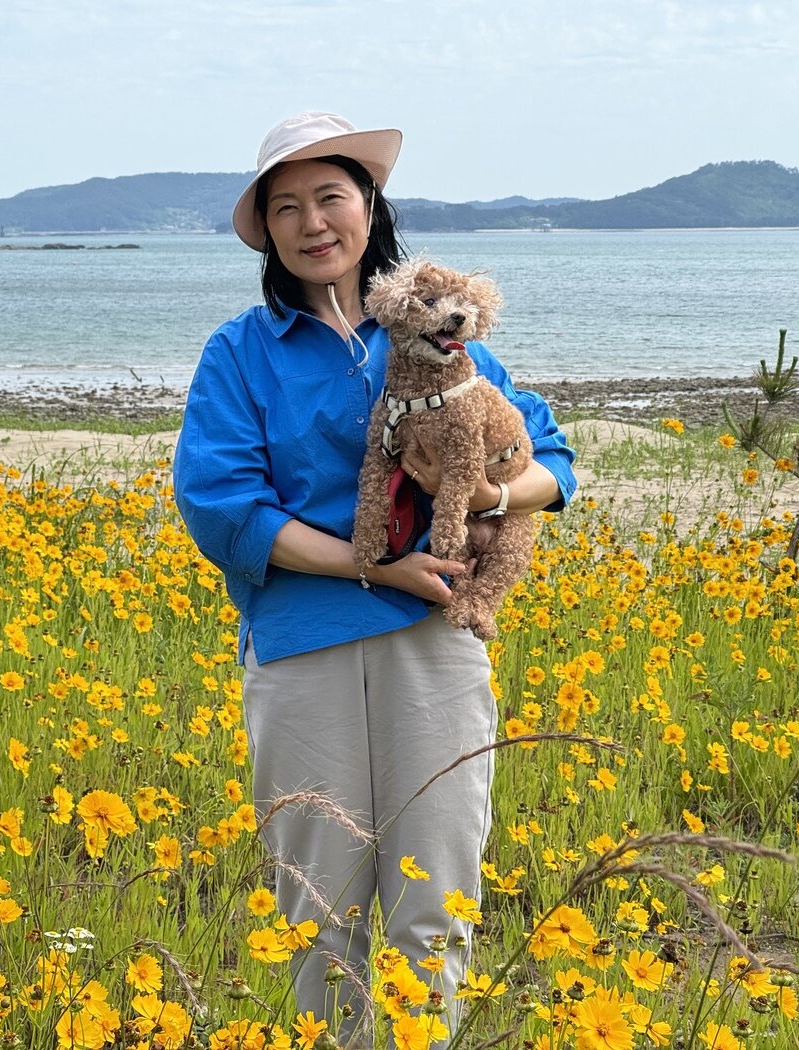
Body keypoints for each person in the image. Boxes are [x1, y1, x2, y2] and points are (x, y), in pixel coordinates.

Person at [174, 112, 577, 1046]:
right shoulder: (243, 351)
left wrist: (488, 487)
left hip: (434, 646)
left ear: (368, 208)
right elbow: (224, 505)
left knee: (433, 900)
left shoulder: (446, 334)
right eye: (287, 207)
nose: (313, 222)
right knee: (319, 911)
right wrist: (376, 563)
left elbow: (551, 459)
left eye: (331, 198)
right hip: (303, 645)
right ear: (268, 232)